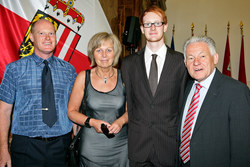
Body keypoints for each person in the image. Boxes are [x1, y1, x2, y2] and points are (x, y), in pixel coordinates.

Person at [0, 19, 77, 167]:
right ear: (31, 37)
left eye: (51, 33)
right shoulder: (14, 69)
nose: (47, 38)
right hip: (26, 147)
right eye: (41, 33)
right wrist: (3, 149)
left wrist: (77, 145)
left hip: (61, 147)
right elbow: (3, 111)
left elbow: (73, 109)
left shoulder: (69, 70)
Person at [121, 5, 188, 167]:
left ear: (165, 26)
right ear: (142, 29)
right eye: (147, 24)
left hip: (168, 145)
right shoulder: (128, 64)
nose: (152, 28)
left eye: (157, 23)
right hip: (139, 146)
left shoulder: (181, 62)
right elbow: (128, 101)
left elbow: (183, 103)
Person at [176, 36, 250, 167]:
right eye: (191, 58)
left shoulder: (236, 91)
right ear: (185, 62)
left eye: (202, 56)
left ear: (215, 58)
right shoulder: (185, 88)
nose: (196, 62)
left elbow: (242, 148)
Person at [68, 32, 129, 167]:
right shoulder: (83, 77)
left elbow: (132, 110)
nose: (104, 55)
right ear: (92, 54)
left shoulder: (125, 77)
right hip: (91, 148)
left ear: (116, 53)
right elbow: (71, 111)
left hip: (121, 148)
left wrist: (120, 121)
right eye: (99, 50)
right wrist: (92, 122)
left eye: (108, 50)